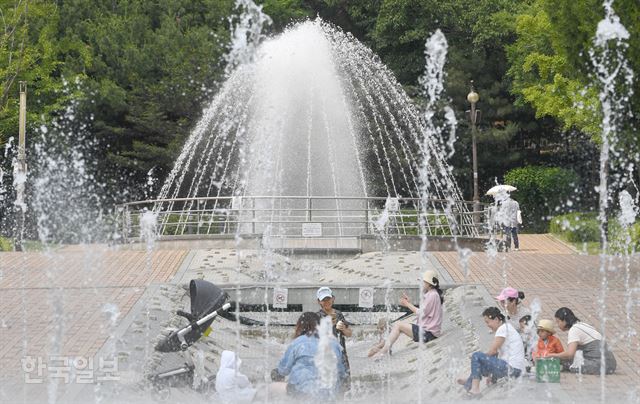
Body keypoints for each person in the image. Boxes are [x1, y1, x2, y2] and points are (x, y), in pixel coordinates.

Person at [270, 312, 346, 400]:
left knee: (272, 387)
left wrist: (276, 373)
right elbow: (342, 372)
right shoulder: (334, 343)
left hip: (302, 392)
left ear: (300, 326)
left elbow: (283, 370)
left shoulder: (298, 343)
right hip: (329, 395)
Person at [371, 270, 443, 359]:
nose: (421, 283)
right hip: (428, 332)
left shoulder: (432, 296)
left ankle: (382, 352)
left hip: (428, 334)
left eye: (423, 282)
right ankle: (384, 347)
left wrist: (407, 304)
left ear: (429, 283)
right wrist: (409, 303)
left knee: (398, 325)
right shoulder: (432, 294)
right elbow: (424, 311)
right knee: (396, 326)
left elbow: (421, 313)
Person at [457, 307, 525, 397]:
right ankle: (470, 381)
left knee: (476, 356)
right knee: (481, 360)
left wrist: (478, 360)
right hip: (514, 370)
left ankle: (475, 388)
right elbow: (496, 354)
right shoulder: (507, 327)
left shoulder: (503, 328)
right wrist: (492, 377)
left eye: (487, 322)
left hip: (512, 369)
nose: (487, 325)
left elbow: (492, 351)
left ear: (496, 319)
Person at [547, 307, 616, 374]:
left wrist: (553, 355)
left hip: (601, 365)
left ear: (564, 321)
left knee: (569, 364)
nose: (558, 325)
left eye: (558, 321)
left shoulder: (574, 330)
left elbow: (570, 354)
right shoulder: (582, 325)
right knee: (567, 360)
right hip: (609, 363)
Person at [316, 286, 352, 385]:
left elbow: (349, 333)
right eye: (323, 300)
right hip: (326, 355)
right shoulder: (317, 317)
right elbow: (315, 338)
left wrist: (343, 329)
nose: (326, 302)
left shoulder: (339, 314)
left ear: (333, 299)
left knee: (345, 382)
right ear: (319, 301)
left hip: (341, 355)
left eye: (328, 299)